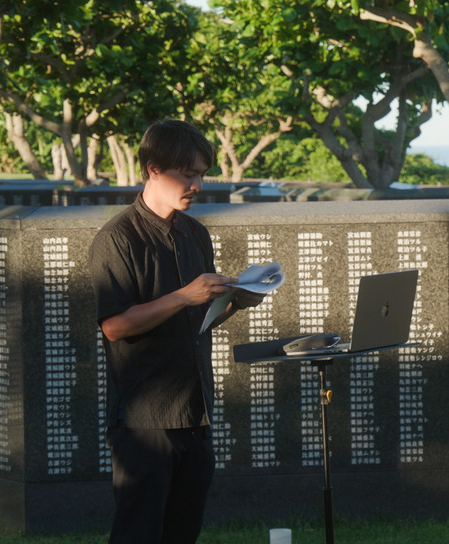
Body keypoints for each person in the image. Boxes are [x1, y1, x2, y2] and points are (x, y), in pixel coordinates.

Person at [88, 120, 263, 543]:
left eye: (201, 173)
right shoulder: (117, 238)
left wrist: (235, 300)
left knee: (183, 534)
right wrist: (184, 296)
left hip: (195, 411)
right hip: (144, 421)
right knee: (139, 534)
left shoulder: (195, 233)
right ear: (153, 169)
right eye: (188, 173)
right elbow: (113, 326)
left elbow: (196, 323)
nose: (197, 184)